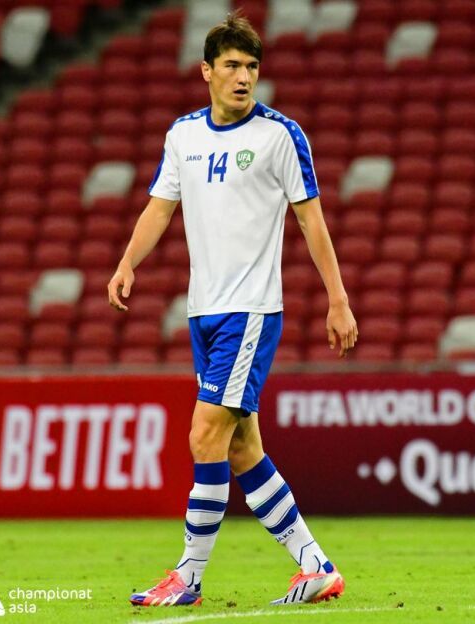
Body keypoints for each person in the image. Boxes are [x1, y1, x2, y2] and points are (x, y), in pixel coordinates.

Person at [108, 12, 358, 608]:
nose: (243, 77)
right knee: (243, 448)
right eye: (232, 66)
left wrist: (338, 299)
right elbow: (160, 208)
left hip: (250, 311)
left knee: (204, 435)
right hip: (204, 312)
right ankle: (315, 568)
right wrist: (127, 262)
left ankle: (188, 577)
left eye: (251, 67)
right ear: (206, 71)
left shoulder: (280, 136)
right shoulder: (183, 136)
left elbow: (311, 221)